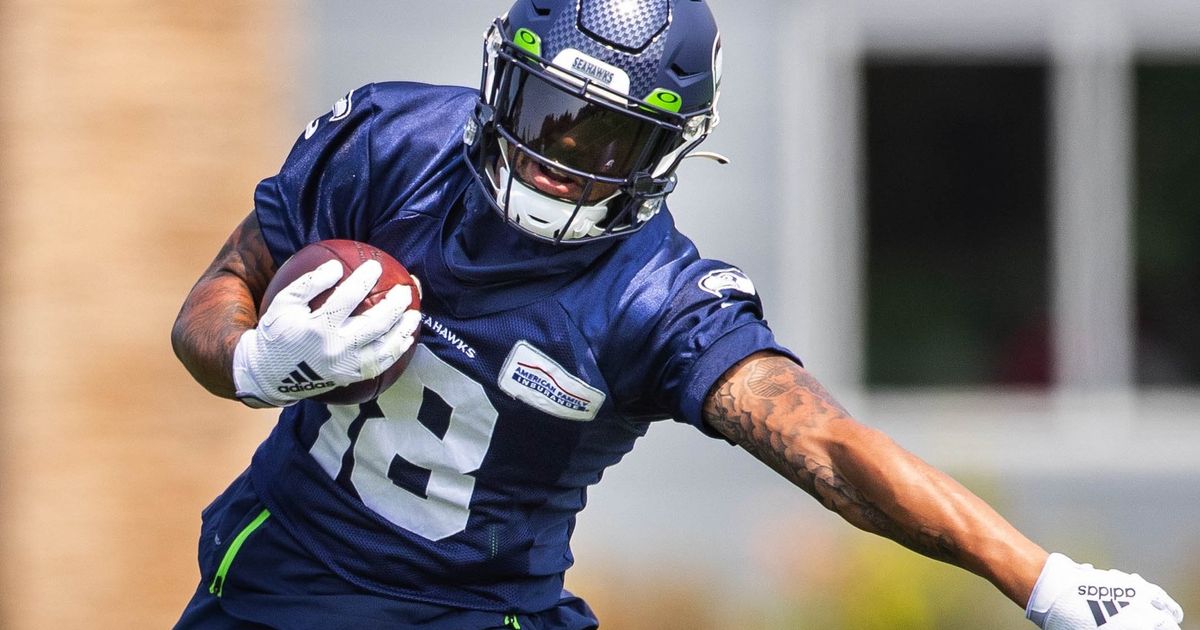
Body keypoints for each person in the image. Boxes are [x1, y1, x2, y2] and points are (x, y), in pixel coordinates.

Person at [170, 1, 1185, 628]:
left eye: (605, 141)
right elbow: (214, 298)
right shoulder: (391, 143)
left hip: (477, 619)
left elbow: (828, 447)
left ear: (666, 153)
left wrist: (1042, 577)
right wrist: (255, 361)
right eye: (544, 114)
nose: (556, 163)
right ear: (497, 85)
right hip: (276, 586)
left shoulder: (655, 302)